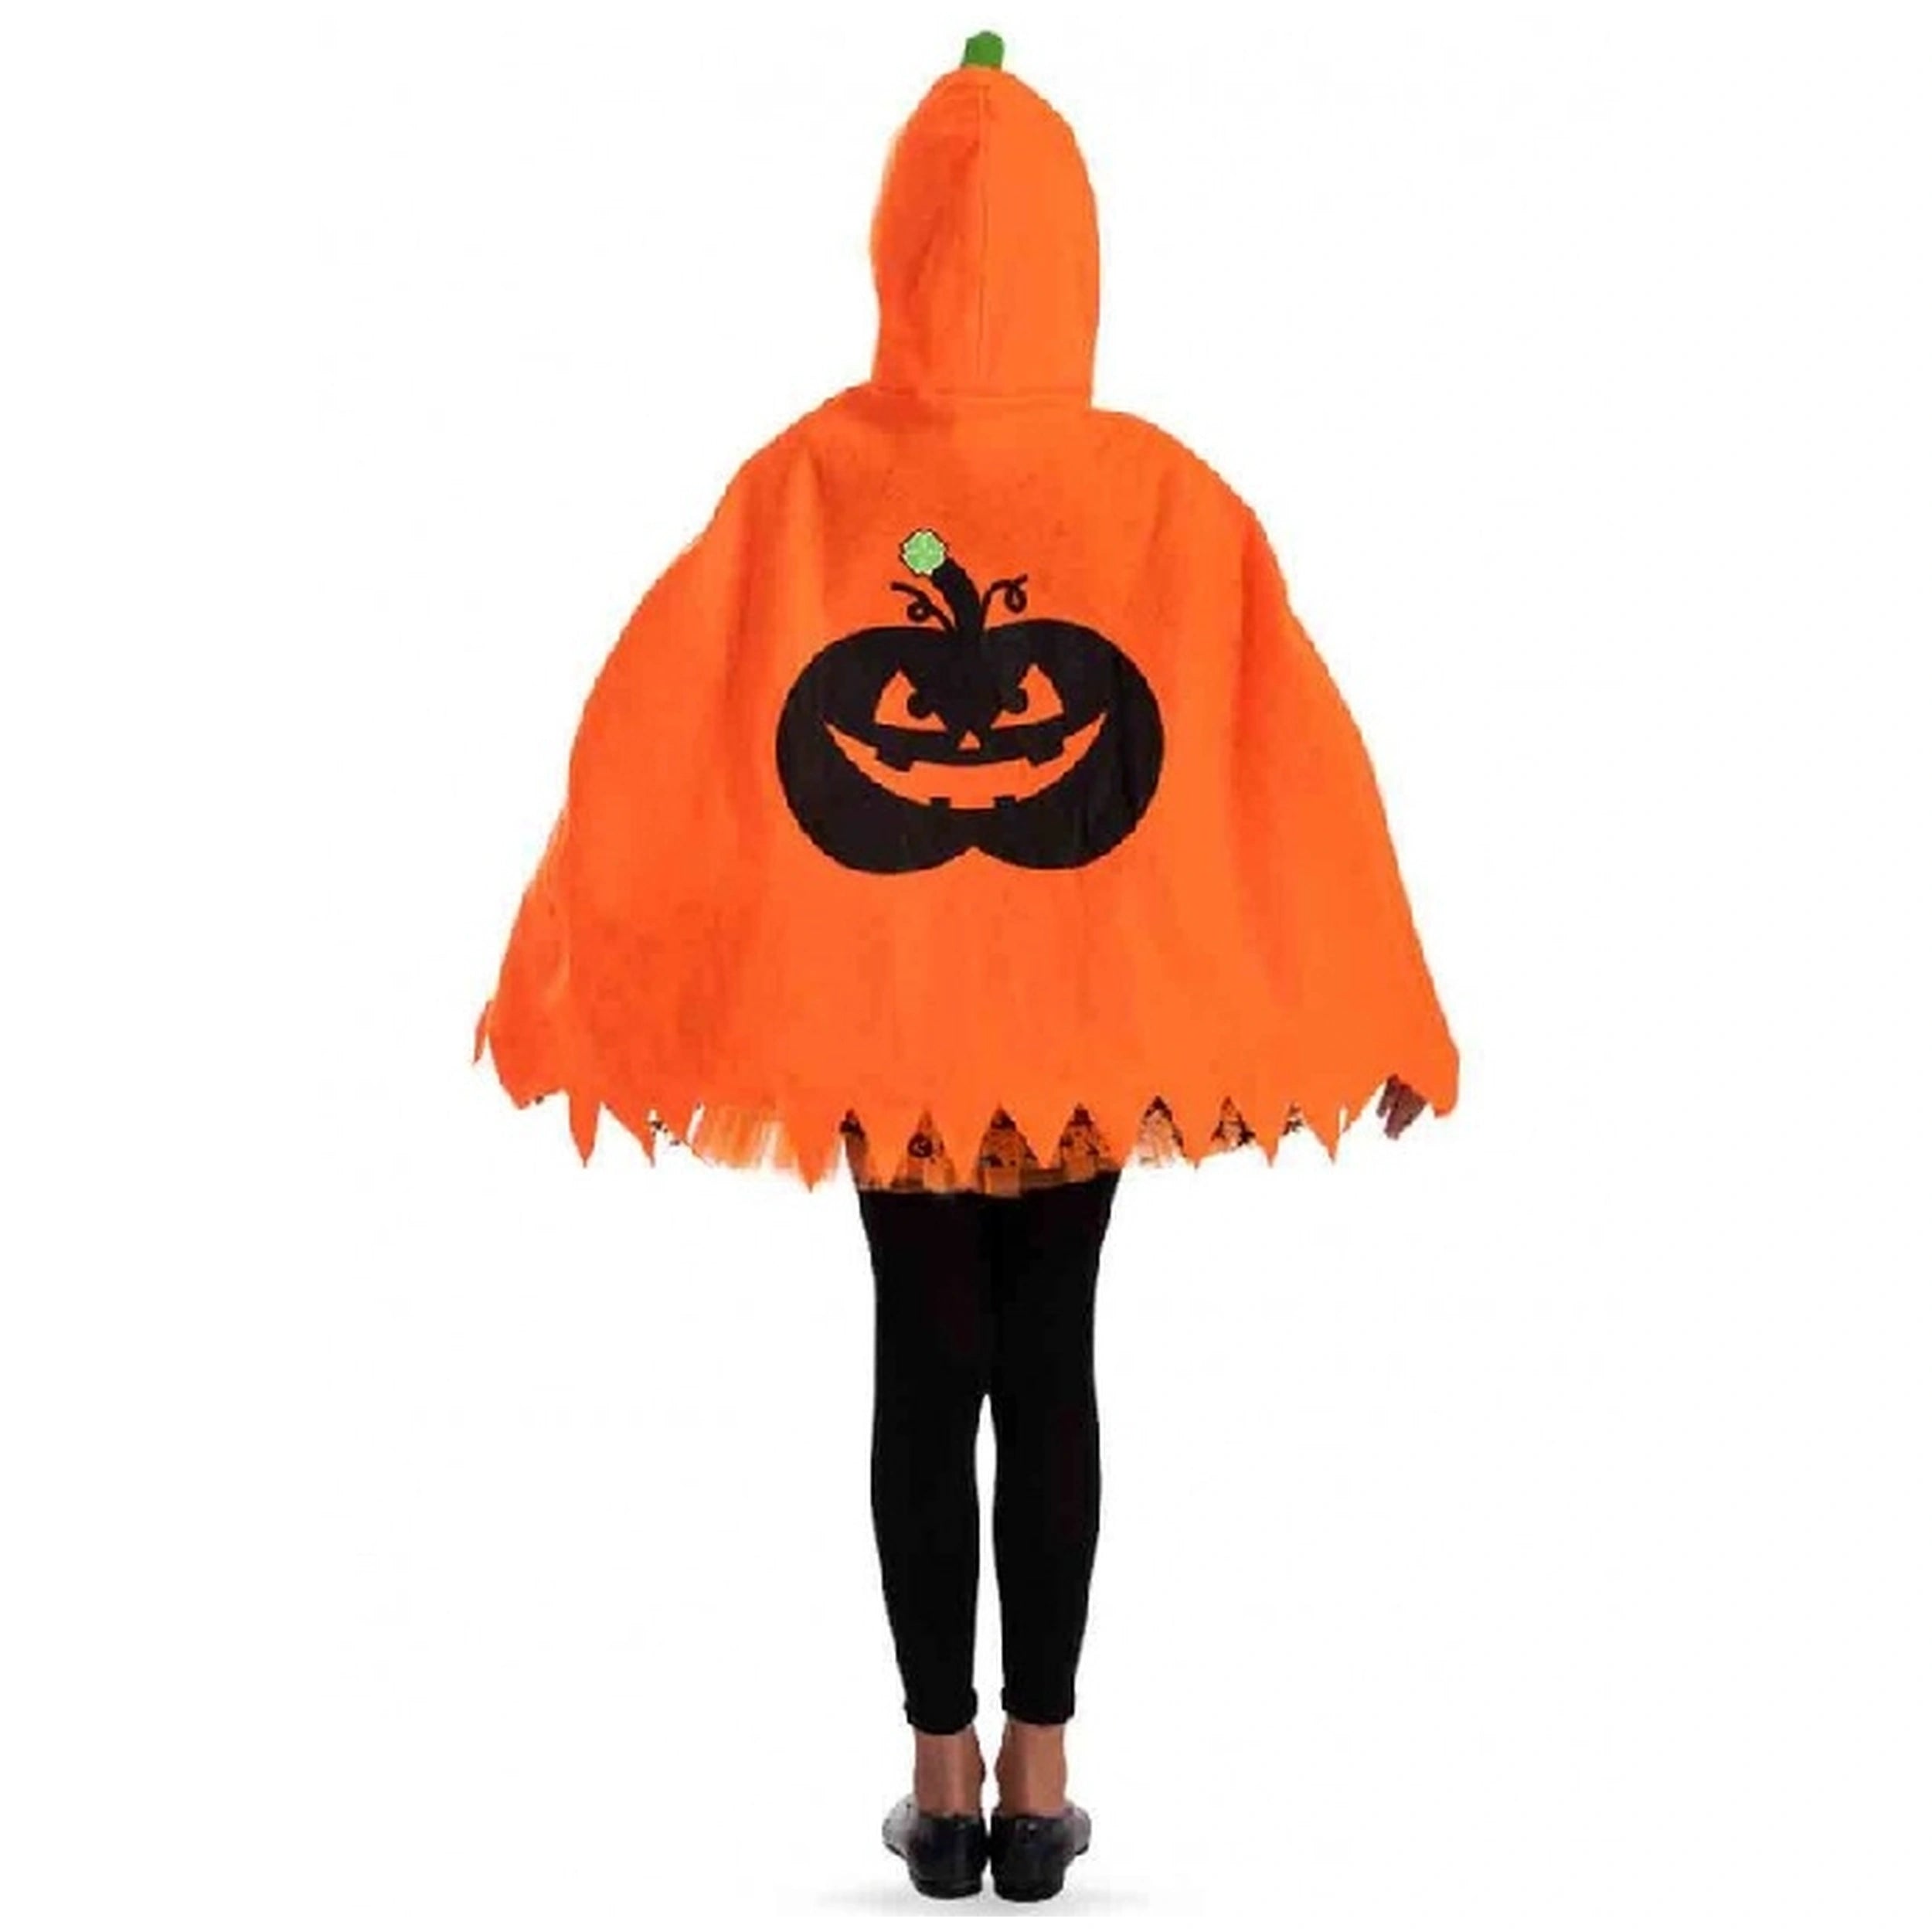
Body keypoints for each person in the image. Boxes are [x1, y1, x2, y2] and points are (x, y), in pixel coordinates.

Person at [474, 28, 1458, 1910]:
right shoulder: (1162, 496)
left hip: (896, 1036)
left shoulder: (803, 486)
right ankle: (1041, 1771)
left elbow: (658, 727)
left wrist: (578, 976)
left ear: (896, 246)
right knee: (1052, 1354)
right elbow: (1295, 763)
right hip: (1083, 1025)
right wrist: (1384, 1002)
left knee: (924, 1357)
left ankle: (938, 1783)